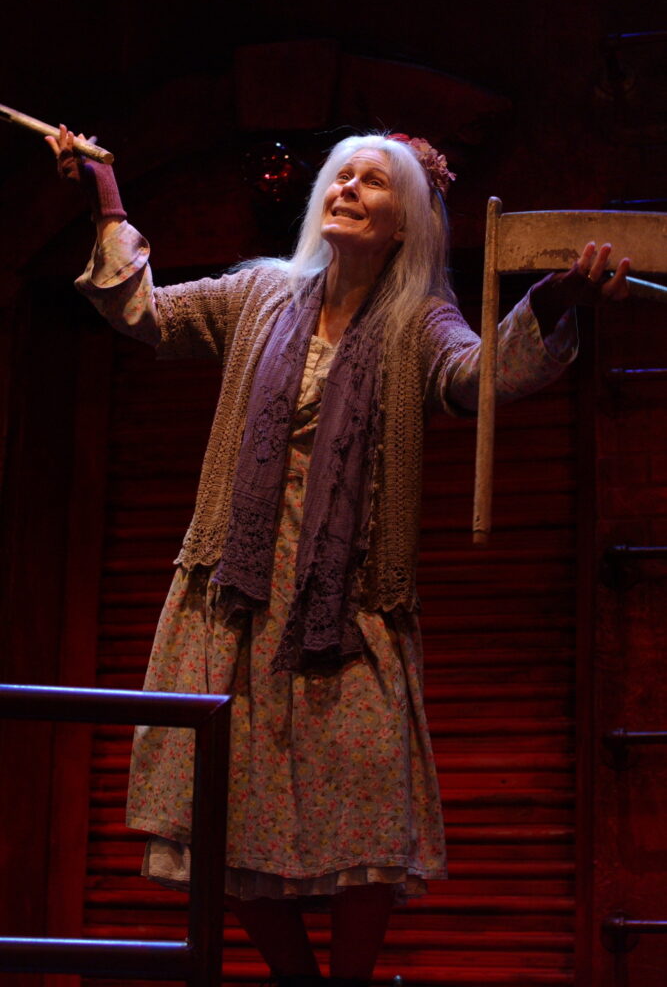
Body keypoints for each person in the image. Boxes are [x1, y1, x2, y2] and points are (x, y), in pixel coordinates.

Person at [47, 125, 629, 987]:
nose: (347, 189)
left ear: (407, 223)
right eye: (340, 176)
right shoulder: (259, 296)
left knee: (368, 809)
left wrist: (548, 302)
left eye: (372, 182)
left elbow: (479, 382)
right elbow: (145, 311)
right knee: (217, 812)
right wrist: (106, 193)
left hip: (345, 602)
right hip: (232, 595)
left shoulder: (417, 322)